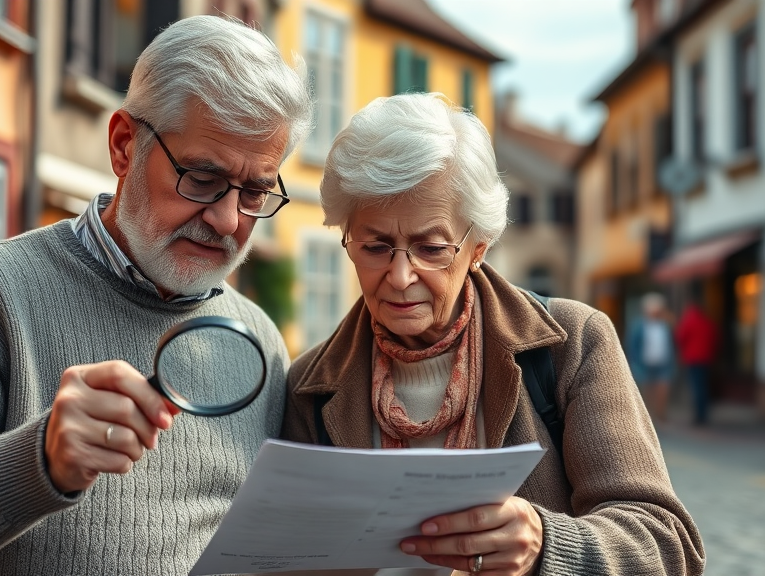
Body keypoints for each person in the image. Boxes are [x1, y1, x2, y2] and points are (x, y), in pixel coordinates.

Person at [0, 15, 313, 576]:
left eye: (254, 191)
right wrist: (37, 462)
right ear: (125, 145)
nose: (228, 220)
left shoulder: (260, 340)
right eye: (201, 179)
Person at [281, 93, 704, 576]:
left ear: (477, 247)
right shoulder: (308, 386)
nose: (400, 276)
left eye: (431, 247)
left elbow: (668, 544)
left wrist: (547, 545)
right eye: (375, 247)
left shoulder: (572, 344)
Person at [627, 292, 676, 423]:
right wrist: (635, 363)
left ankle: (660, 415)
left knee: (663, 389)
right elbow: (633, 345)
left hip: (663, 363)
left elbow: (674, 341)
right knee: (647, 392)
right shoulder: (639, 325)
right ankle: (648, 418)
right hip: (645, 363)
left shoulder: (665, 324)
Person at [675, 294, 718, 425]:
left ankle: (699, 416)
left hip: (692, 358)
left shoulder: (688, 320)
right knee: (703, 386)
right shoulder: (706, 321)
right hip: (705, 358)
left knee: (696, 387)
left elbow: (680, 337)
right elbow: (714, 338)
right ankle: (703, 414)